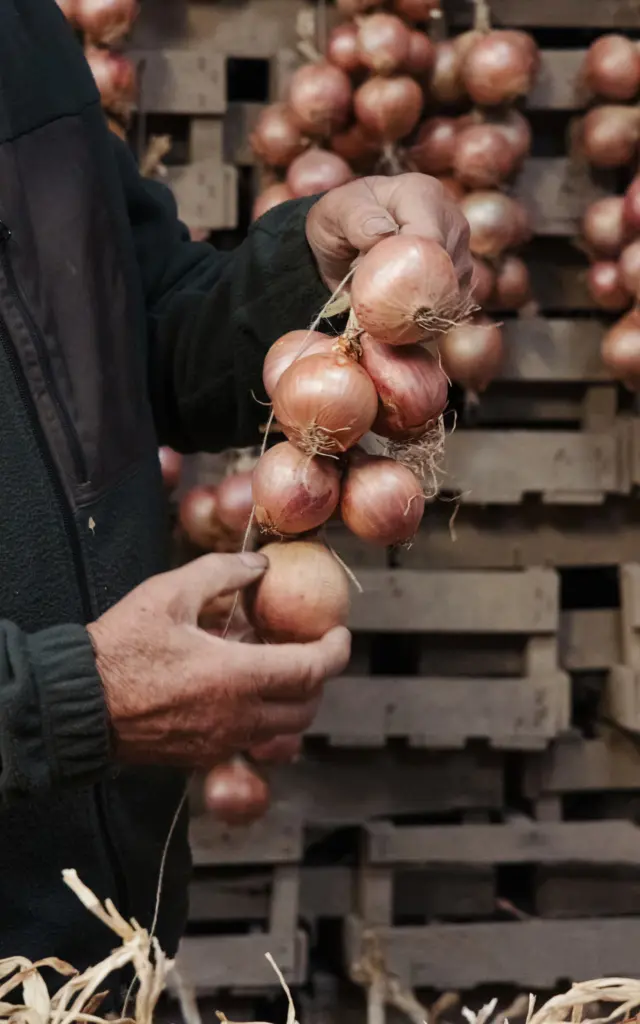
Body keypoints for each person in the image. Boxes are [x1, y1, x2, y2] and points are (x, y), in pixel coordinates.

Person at [0, 0, 472, 985]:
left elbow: (126, 321)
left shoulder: (20, 30)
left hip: (85, 951)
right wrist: (56, 701)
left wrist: (313, 273)